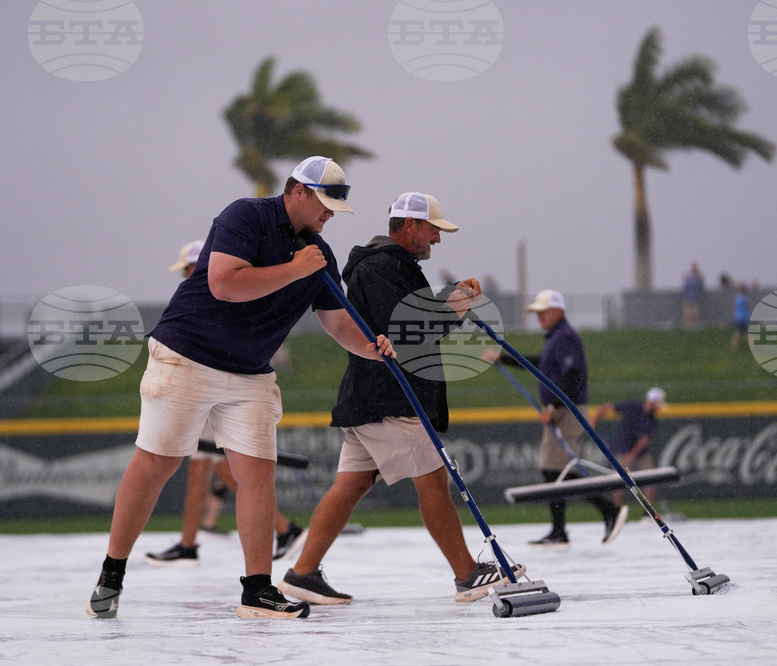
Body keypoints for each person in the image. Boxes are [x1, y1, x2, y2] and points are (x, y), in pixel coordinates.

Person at [86, 156, 394, 620]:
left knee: (258, 472)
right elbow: (225, 285)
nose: (330, 213)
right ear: (298, 191)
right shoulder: (245, 216)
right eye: (325, 203)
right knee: (157, 463)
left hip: (250, 373)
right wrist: (296, 268)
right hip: (186, 356)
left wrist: (371, 345)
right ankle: (112, 571)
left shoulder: (319, 255)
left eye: (336, 206)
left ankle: (257, 591)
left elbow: (336, 322)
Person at [279, 191, 525, 606]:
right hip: (391, 397)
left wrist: (451, 300)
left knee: (350, 485)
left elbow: (412, 320)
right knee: (432, 478)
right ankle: (467, 574)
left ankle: (302, 574)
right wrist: (455, 307)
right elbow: (407, 334)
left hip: (371, 396)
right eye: (433, 230)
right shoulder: (381, 267)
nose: (438, 240)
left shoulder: (394, 267)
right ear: (410, 226)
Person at [144, 241, 305, 568]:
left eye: (186, 270)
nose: (185, 277)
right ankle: (193, 542)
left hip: (209, 383)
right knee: (211, 467)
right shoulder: (220, 290)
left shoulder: (210, 295)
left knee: (211, 466)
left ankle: (281, 529)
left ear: (194, 267)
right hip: (216, 383)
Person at [483, 289, 625, 549]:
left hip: (569, 410)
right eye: (537, 313)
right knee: (553, 470)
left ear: (558, 311)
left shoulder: (566, 337)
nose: (539, 317)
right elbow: (541, 364)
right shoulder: (556, 338)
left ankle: (606, 511)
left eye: (543, 312)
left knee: (558, 471)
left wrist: (554, 407)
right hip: (562, 410)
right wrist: (504, 359)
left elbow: (573, 377)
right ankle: (563, 529)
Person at [590, 388, 667, 507]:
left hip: (639, 453)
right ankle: (616, 511)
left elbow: (643, 441)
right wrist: (596, 418)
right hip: (623, 449)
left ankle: (648, 513)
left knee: (651, 478)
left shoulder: (652, 418)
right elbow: (608, 407)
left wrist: (632, 454)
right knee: (619, 482)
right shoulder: (633, 406)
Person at [681, 262, 704, 328]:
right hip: (688, 298)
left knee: (695, 312)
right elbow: (685, 288)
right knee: (688, 312)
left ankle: (694, 324)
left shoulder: (698, 277)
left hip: (695, 298)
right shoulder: (688, 277)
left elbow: (700, 287)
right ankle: (688, 324)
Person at [730, 282, 751, 350]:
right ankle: (734, 346)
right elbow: (747, 305)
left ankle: (734, 346)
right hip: (743, 317)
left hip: (738, 317)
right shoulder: (743, 297)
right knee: (741, 333)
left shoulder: (737, 297)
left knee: (740, 332)